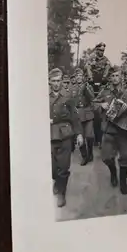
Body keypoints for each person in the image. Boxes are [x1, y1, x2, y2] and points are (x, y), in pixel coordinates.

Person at [95, 66, 127, 195]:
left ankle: (123, 181)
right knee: (107, 157)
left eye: (117, 76)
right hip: (109, 129)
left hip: (124, 131)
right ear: (110, 78)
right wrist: (100, 106)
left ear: (121, 77)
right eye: (112, 76)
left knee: (125, 157)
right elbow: (94, 104)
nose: (115, 78)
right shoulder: (105, 92)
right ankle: (113, 172)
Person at [50, 68, 83, 208]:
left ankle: (62, 194)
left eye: (58, 81)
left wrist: (79, 133)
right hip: (50, 133)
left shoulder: (68, 95)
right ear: (49, 81)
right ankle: (56, 181)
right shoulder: (42, 95)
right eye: (53, 81)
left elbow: (74, 116)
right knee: (52, 168)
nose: (56, 84)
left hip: (65, 134)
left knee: (63, 167)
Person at [85, 42, 111, 147]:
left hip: (102, 83)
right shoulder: (92, 58)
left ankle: (100, 137)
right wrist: (90, 77)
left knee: (101, 114)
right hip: (92, 82)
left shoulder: (106, 60)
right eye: (99, 50)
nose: (101, 52)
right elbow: (87, 67)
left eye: (103, 51)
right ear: (96, 50)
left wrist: (104, 77)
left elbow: (109, 68)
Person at [73, 67, 95, 165]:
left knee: (89, 136)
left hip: (87, 112)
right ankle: (84, 156)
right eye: (77, 75)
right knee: (80, 136)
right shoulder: (72, 87)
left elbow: (92, 97)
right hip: (77, 113)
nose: (78, 77)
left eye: (80, 75)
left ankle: (90, 152)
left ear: (83, 77)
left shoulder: (87, 86)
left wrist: (86, 87)